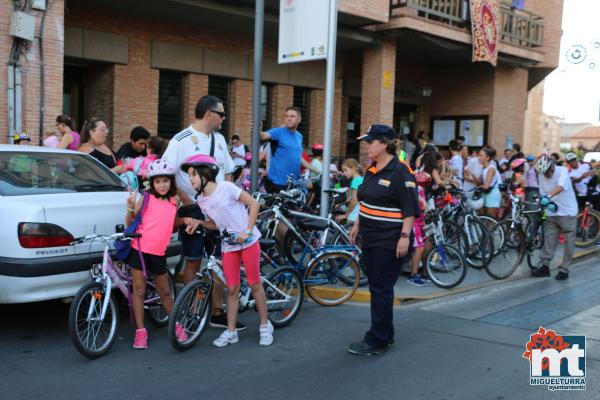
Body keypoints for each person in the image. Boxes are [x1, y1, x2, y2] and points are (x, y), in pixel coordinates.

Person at [161, 95, 239, 330]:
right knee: (193, 260)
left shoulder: (220, 140)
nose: (224, 119)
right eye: (222, 114)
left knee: (219, 259)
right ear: (209, 114)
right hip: (193, 209)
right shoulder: (180, 140)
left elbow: (228, 172)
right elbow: (165, 173)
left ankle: (216, 312)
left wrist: (227, 199)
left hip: (218, 209)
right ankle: (190, 312)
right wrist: (185, 199)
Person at [182, 155, 273, 347]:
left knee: (254, 283)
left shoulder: (227, 188)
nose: (191, 179)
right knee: (231, 289)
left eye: (193, 174)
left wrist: (247, 231)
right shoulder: (202, 200)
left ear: (205, 173)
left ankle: (265, 325)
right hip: (228, 245)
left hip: (248, 242)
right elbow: (215, 224)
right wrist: (200, 222)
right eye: (189, 175)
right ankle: (231, 332)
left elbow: (254, 204)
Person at [348, 124, 419, 356]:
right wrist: (358, 223)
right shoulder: (372, 168)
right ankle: (385, 334)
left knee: (380, 288)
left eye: (371, 142)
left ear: (384, 144)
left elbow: (409, 209)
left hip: (389, 240)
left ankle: (377, 339)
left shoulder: (401, 172)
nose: (367, 146)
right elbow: (366, 200)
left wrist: (404, 237)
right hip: (370, 236)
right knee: (380, 287)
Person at [125, 159, 186, 349]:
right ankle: (140, 331)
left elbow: (172, 221)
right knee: (140, 290)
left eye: (165, 181)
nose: (162, 185)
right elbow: (130, 222)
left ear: (171, 182)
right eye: (158, 181)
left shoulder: (175, 200)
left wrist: (188, 221)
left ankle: (175, 324)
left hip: (159, 252)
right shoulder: (146, 198)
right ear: (152, 183)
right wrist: (129, 206)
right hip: (140, 249)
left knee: (165, 291)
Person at [532, 154, 579, 280]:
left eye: (547, 172)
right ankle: (545, 266)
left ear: (552, 166)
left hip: (567, 212)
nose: (546, 175)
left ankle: (564, 269)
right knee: (549, 239)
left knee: (569, 241)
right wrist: (544, 201)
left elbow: (560, 187)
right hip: (552, 211)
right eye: (543, 173)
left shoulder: (562, 171)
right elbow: (542, 191)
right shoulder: (541, 174)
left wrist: (548, 197)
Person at [259, 107, 319, 193]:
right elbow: (264, 135)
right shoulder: (278, 132)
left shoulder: (299, 136)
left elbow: (299, 158)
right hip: (277, 184)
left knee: (316, 188)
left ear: (299, 119)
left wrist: (317, 170)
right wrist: (259, 129)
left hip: (293, 183)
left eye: (292, 116)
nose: (289, 118)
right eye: (287, 116)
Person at [407, 173, 429, 287]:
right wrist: (422, 201)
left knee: (427, 246)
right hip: (414, 222)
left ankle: (425, 272)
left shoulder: (421, 189)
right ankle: (413, 275)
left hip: (421, 221)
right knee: (419, 248)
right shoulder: (414, 189)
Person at [336, 158, 363, 223]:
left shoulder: (355, 181)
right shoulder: (361, 179)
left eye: (345, 170)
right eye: (343, 171)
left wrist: (346, 215)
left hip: (354, 215)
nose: (344, 173)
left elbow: (355, 200)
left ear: (353, 168)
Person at [479, 147, 502, 218]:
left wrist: (477, 187)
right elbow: (479, 182)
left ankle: (491, 229)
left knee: (490, 218)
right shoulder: (483, 168)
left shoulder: (491, 168)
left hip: (492, 193)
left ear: (487, 158)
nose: (479, 157)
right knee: (481, 215)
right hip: (485, 193)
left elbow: (486, 186)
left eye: (481, 155)